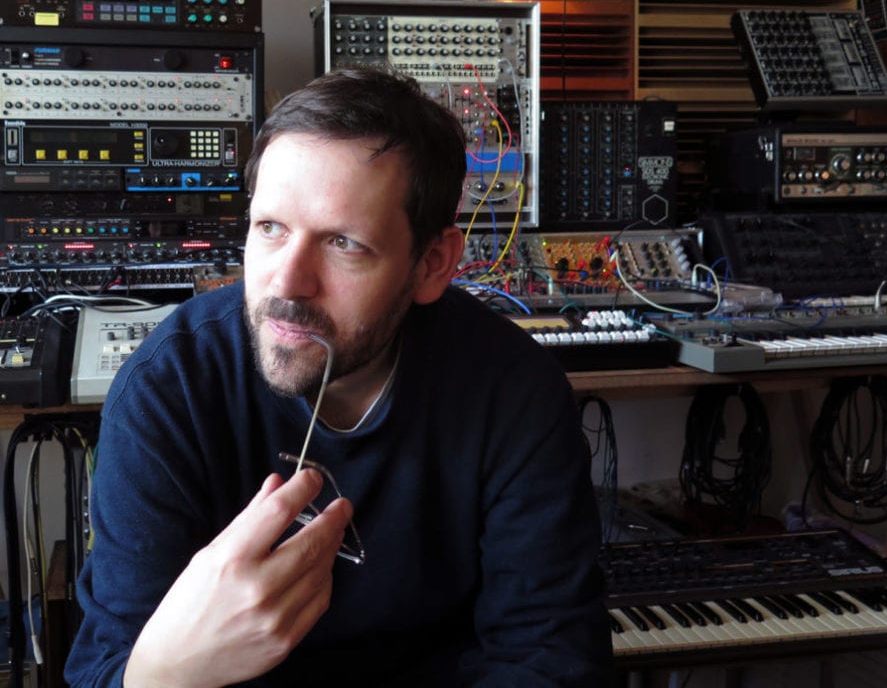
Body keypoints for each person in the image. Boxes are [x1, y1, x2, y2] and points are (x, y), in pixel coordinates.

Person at [65, 67, 611, 688]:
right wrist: (166, 670)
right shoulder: (170, 389)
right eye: (270, 228)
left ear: (433, 264)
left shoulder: (514, 391)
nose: (287, 282)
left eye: (344, 243)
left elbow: (550, 658)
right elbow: (104, 669)